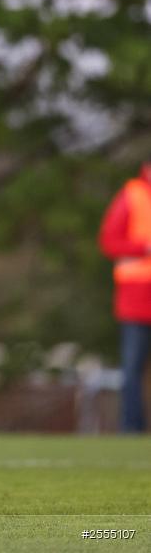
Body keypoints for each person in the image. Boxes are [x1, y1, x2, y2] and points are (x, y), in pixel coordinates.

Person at [99, 163, 151, 432]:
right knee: (132, 368)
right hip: (136, 300)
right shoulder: (132, 196)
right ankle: (132, 427)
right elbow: (109, 241)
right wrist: (144, 247)